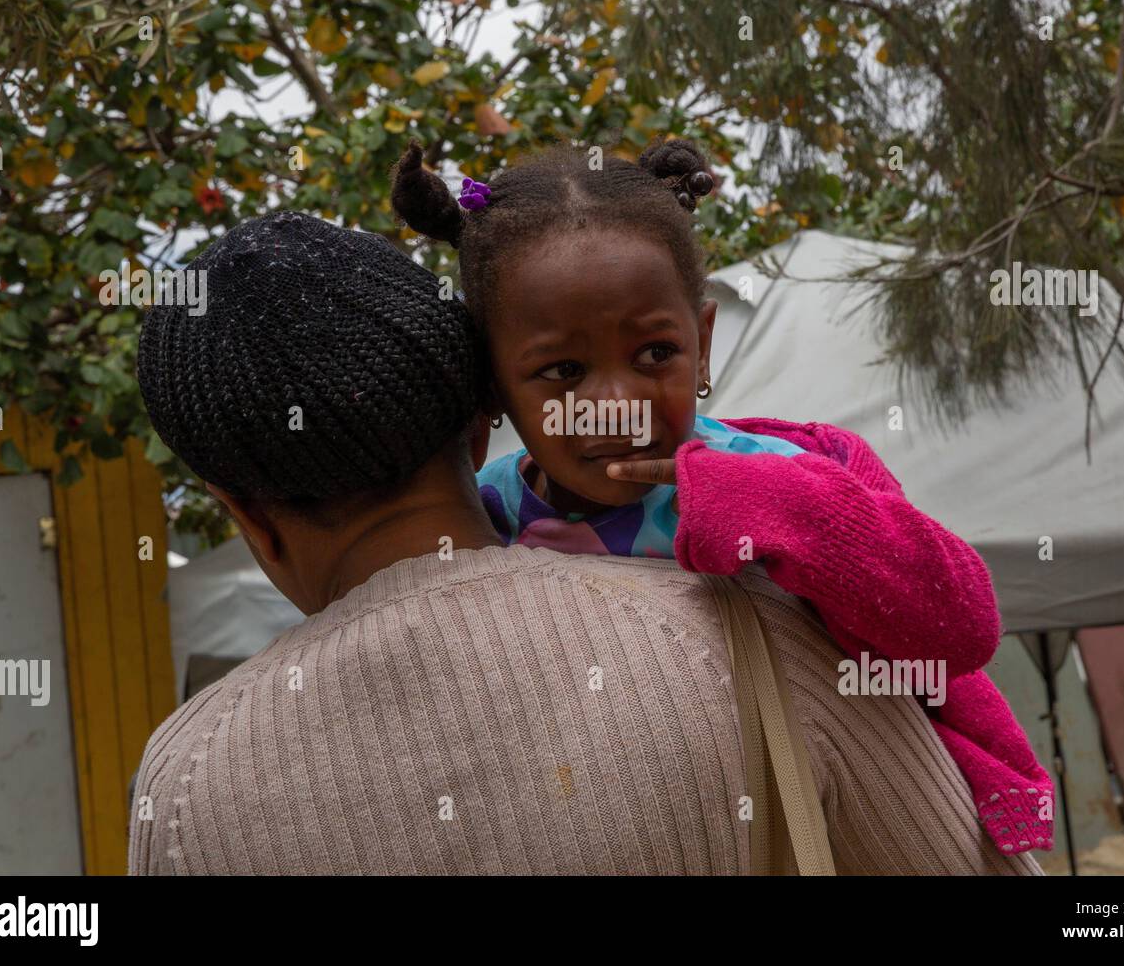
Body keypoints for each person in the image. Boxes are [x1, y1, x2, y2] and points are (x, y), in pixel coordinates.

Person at [129, 209, 1042, 875]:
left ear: (243, 514)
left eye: (653, 354)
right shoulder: (768, 637)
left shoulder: (183, 792)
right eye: (564, 371)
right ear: (488, 416)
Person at [390, 137, 1053, 855]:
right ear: (491, 384)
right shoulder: (482, 515)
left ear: (702, 345)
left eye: (654, 353)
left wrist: (780, 510)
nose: (616, 402)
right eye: (563, 368)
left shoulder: (799, 468)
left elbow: (961, 626)